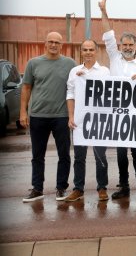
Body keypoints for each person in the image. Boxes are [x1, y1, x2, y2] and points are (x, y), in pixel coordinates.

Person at [99, 0, 136, 200]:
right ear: (120, 46)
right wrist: (104, 12)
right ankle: (124, 186)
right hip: (117, 114)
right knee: (121, 154)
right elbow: (108, 33)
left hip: (135, 115)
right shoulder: (114, 58)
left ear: (135, 47)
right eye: (125, 44)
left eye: (131, 45)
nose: (127, 47)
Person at [20, 31, 76, 202]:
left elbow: (78, 85)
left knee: (64, 154)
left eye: (57, 42)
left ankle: (61, 188)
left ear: (62, 45)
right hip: (38, 115)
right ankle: (37, 188)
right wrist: (23, 112)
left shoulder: (70, 64)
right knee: (37, 155)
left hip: (61, 116)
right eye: (50, 41)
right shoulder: (33, 63)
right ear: (45, 43)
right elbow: (26, 88)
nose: (53, 45)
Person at [65, 40, 111, 202]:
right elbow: (70, 94)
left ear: (96, 51)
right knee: (79, 157)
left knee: (100, 155)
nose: (88, 52)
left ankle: (102, 188)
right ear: (81, 52)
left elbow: (111, 94)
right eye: (85, 49)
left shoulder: (105, 71)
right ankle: (78, 188)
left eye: (91, 49)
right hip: (80, 120)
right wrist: (71, 116)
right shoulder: (74, 71)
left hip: (99, 120)